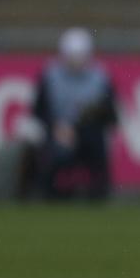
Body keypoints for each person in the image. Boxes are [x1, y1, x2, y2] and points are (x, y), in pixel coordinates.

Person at [32, 27, 119, 200]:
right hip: (58, 131)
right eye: (73, 56)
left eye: (81, 55)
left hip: (89, 131)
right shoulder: (50, 77)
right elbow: (39, 110)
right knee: (54, 153)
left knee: (96, 145)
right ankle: (52, 194)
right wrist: (56, 126)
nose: (77, 61)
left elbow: (110, 114)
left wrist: (81, 126)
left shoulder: (100, 78)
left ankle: (98, 194)